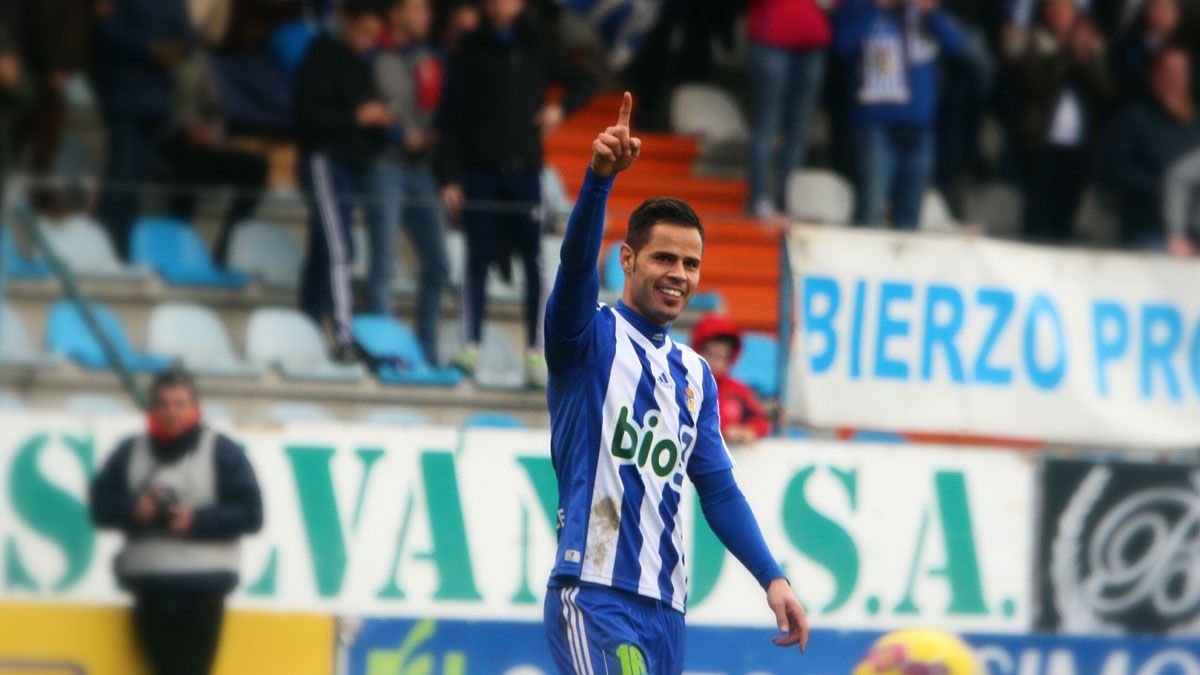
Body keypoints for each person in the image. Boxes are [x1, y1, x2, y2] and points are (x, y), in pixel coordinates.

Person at [541, 93, 808, 673]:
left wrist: (773, 577)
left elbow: (718, 490)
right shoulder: (586, 338)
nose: (678, 275)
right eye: (664, 258)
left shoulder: (695, 375)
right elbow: (575, 268)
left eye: (690, 264)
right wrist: (599, 181)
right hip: (593, 593)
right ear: (629, 259)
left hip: (666, 609)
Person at [437, 0, 594, 388]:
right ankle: (470, 344)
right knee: (477, 258)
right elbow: (451, 120)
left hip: (526, 173)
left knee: (535, 262)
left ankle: (538, 351)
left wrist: (560, 110)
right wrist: (450, 177)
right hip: (480, 174)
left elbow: (585, 81)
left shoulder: (537, 44)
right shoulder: (470, 51)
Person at [89, 369, 263, 675]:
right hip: (148, 594)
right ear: (152, 409)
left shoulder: (222, 451)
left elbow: (251, 513)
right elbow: (100, 507)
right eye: (164, 404)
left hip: (202, 595)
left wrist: (194, 520)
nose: (172, 412)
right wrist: (134, 509)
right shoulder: (130, 451)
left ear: (196, 408)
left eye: (180, 404)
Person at [293, 0, 390, 362]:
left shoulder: (359, 65)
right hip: (324, 161)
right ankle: (345, 337)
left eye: (374, 35)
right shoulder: (320, 57)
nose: (369, 41)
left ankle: (307, 328)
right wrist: (357, 118)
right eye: (365, 32)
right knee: (339, 250)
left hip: (349, 166)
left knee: (323, 252)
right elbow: (306, 119)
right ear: (346, 22)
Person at [366, 0, 450, 364]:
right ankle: (385, 351)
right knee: (383, 262)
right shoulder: (373, 55)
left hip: (423, 168)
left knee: (439, 263)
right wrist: (397, 134)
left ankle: (425, 351)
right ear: (396, 12)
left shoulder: (431, 57)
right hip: (385, 164)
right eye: (418, 10)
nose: (426, 18)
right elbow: (363, 105)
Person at [834, 0, 965, 229]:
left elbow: (957, 47)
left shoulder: (923, 13)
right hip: (875, 125)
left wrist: (932, 13)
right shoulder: (858, 7)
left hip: (920, 128)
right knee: (871, 211)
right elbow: (843, 45)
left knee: (910, 218)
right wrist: (878, 7)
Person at [90, 0, 192, 260]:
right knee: (122, 172)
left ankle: (122, 245)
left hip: (156, 99)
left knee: (137, 175)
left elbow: (187, 37)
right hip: (124, 93)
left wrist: (176, 49)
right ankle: (107, 240)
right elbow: (108, 30)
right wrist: (149, 48)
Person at [1009, 0, 1114, 243]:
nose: (1058, 15)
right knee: (1037, 217)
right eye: (1053, 9)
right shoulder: (1034, 42)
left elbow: (1106, 90)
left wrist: (1085, 59)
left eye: (1064, 10)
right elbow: (1036, 83)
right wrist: (1068, 53)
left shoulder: (1093, 46)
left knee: (1065, 217)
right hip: (1041, 144)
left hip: (1079, 145)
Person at [159, 49, 270, 266]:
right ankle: (174, 248)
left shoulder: (201, 59)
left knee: (256, 166)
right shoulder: (161, 48)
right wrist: (186, 128)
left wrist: (212, 134)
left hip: (205, 142)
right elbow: (159, 104)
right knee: (190, 166)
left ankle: (227, 249)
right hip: (168, 142)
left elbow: (214, 108)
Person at [1103, 46, 1200, 248]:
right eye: (1169, 71)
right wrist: (1165, 187)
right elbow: (1115, 169)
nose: (1175, 79)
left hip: (1192, 228)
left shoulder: (1194, 122)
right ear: (1154, 75)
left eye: (1182, 72)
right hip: (1148, 225)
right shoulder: (1132, 117)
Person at [745, 0, 834, 220]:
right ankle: (760, 198)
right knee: (767, 125)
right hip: (772, 39)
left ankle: (787, 202)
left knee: (798, 131)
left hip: (813, 41)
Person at [691, 314, 773, 445]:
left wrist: (749, 430)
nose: (715, 363)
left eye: (722, 356)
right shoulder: (685, 385)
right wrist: (722, 431)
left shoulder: (738, 390)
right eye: (710, 354)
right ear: (697, 351)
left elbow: (761, 422)